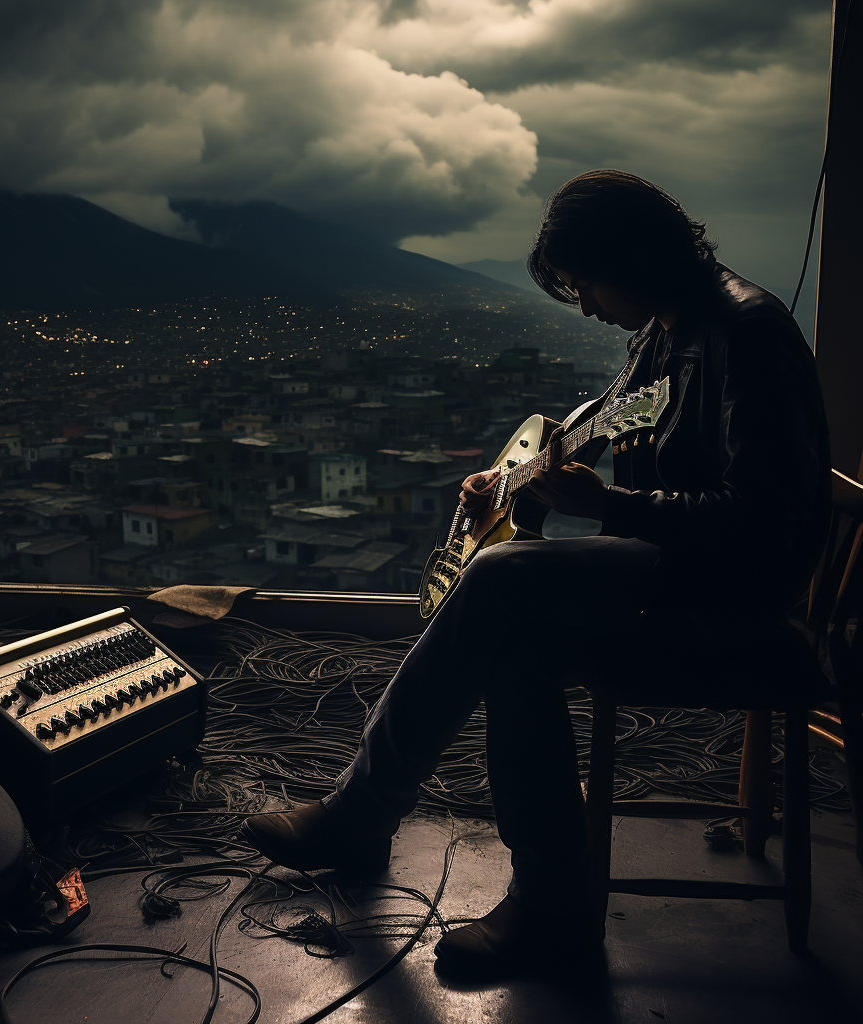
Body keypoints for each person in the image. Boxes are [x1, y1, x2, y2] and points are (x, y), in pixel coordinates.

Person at [239, 170, 832, 978]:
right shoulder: (672, 325)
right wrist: (507, 480)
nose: (585, 305)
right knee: (515, 648)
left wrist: (616, 508)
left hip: (730, 596)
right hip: (679, 573)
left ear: (633, 253)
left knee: (498, 581)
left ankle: (360, 814)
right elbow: (602, 419)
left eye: (586, 282)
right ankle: (553, 903)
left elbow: (767, 519)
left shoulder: (744, 332)